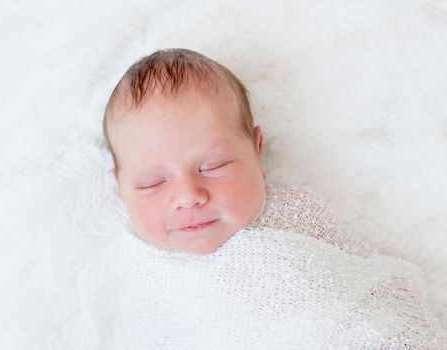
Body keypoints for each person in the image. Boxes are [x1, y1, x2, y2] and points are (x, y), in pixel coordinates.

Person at [99, 48, 447, 349]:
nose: (188, 196)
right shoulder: (142, 273)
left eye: (213, 165)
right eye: (152, 183)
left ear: (257, 150)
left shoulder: (298, 214)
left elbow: (369, 286)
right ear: (120, 187)